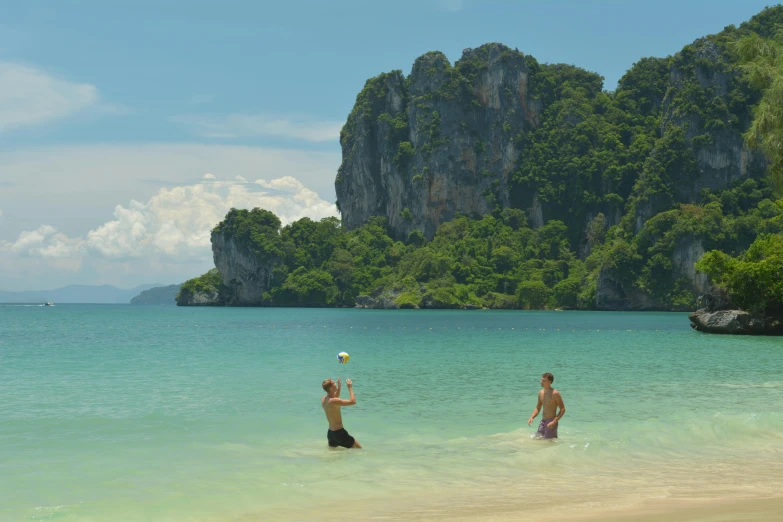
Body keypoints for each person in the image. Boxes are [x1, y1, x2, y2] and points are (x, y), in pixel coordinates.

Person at [321, 377, 362, 449]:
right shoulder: (333, 401)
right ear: (331, 388)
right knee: (359, 449)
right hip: (339, 433)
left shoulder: (324, 399)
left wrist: (339, 387)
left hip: (330, 433)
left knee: (333, 455)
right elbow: (353, 402)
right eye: (334, 383)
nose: (336, 383)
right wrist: (350, 387)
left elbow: (334, 398)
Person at [527, 372, 566, 439]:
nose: (541, 381)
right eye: (541, 380)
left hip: (551, 421)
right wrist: (532, 417)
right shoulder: (540, 393)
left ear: (549, 382)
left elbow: (562, 409)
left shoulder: (555, 393)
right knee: (538, 439)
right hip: (543, 421)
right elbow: (538, 408)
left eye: (543, 380)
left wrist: (554, 421)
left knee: (549, 442)